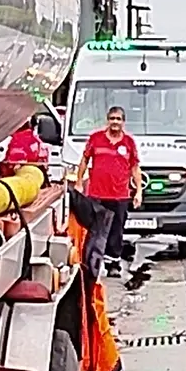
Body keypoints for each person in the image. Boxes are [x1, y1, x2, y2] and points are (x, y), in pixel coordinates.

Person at [75, 106, 143, 277]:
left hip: (120, 195)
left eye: (118, 119)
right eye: (112, 118)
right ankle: (93, 264)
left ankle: (113, 263)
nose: (115, 122)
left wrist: (138, 191)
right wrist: (79, 182)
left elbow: (135, 168)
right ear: (107, 120)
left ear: (123, 122)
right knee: (96, 231)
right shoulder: (96, 138)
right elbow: (84, 160)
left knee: (116, 231)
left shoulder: (128, 142)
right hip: (97, 194)